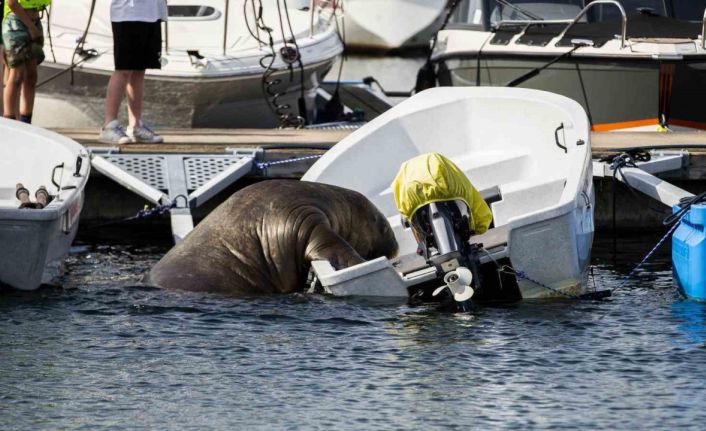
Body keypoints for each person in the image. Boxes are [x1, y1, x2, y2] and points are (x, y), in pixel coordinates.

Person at [99, 0, 167, 144]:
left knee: (139, 70)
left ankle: (135, 125)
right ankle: (109, 126)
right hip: (128, 14)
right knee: (123, 69)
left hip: (151, 13)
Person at [2, 0, 49, 123]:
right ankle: (9, 120)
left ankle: (26, 120)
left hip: (35, 21)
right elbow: (12, 3)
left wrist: (34, 27)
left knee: (31, 76)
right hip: (16, 24)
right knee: (17, 75)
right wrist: (32, 28)